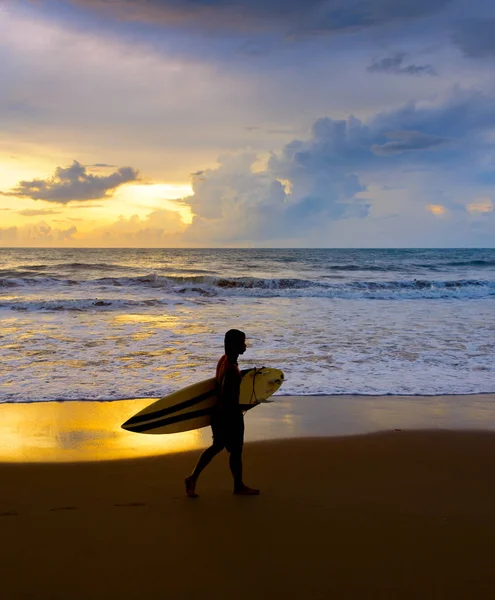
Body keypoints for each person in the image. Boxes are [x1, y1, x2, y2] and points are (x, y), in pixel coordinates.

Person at [184, 329, 260, 497]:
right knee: (236, 451)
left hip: (217, 414)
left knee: (217, 447)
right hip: (228, 416)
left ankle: (192, 478)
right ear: (234, 345)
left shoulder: (224, 360)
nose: (245, 346)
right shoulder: (231, 371)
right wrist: (238, 413)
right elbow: (227, 396)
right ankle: (238, 487)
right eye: (242, 343)